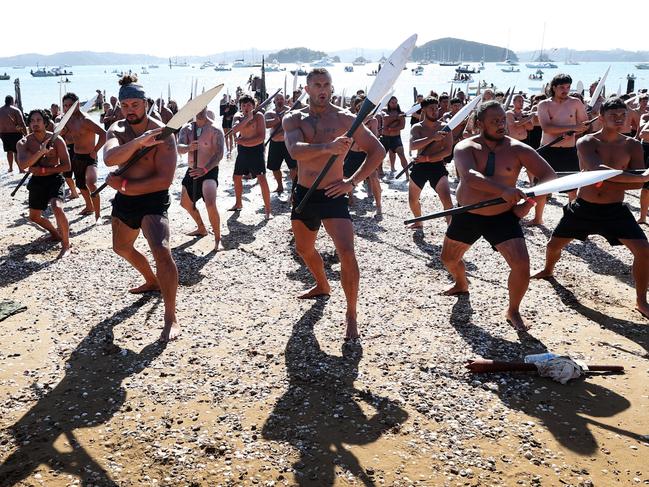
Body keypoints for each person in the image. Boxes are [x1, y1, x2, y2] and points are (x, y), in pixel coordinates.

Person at [284, 68, 385, 340]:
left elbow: (378, 151)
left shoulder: (345, 119)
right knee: (304, 249)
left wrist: (351, 182)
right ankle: (321, 284)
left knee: (347, 252)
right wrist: (329, 147)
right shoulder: (293, 118)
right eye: (317, 84)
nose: (322, 89)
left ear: (331, 87)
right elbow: (295, 151)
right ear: (307, 89)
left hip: (333, 194)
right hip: (304, 193)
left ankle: (351, 315)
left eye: (326, 84)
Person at [441, 101, 555, 332]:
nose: (501, 124)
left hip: (502, 215)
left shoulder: (519, 149)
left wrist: (529, 204)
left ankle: (513, 309)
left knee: (522, 265)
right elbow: (470, 176)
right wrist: (503, 190)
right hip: (467, 213)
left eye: (503, 120)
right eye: (494, 121)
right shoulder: (465, 147)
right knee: (449, 260)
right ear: (479, 123)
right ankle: (462, 283)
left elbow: (549, 176)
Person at [533, 97, 649, 318]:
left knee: (644, 252)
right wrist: (606, 177)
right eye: (613, 115)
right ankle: (548, 270)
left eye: (622, 115)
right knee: (553, 245)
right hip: (584, 207)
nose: (619, 119)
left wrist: (609, 178)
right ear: (601, 118)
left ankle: (641, 300)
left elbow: (638, 182)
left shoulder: (633, 145)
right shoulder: (586, 142)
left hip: (615, 210)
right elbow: (598, 171)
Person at [102, 75, 180, 341]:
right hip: (125, 199)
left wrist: (123, 186)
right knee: (121, 248)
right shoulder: (117, 129)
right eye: (125, 105)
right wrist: (139, 142)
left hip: (152, 198)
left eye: (135, 104)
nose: (130, 110)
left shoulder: (164, 134)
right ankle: (151, 281)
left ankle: (171, 318)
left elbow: (164, 180)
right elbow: (111, 158)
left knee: (161, 251)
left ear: (146, 103)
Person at [532, 74, 589, 225]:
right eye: (562, 87)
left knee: (572, 189)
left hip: (568, 150)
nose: (566, 90)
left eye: (568, 87)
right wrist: (572, 127)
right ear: (553, 87)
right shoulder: (544, 105)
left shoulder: (575, 102)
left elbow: (584, 125)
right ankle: (538, 218)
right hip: (548, 150)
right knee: (542, 187)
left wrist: (577, 130)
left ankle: (573, 219)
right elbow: (547, 127)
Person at [16, 109, 71, 259]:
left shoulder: (57, 140)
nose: (35, 123)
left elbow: (67, 166)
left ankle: (66, 245)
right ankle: (54, 233)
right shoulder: (23, 142)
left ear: (45, 122)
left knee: (57, 207)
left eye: (38, 120)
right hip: (37, 181)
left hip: (54, 178)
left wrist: (46, 169)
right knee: (34, 217)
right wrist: (40, 153)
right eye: (32, 121)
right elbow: (23, 165)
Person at [177, 107, 225, 249]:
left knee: (210, 203)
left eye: (202, 106)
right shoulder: (187, 128)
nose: (199, 110)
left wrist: (204, 170)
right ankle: (201, 228)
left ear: (205, 107)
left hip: (208, 171)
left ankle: (218, 238)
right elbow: (179, 148)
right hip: (192, 170)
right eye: (196, 106)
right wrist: (188, 147)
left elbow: (219, 154)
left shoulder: (215, 129)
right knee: (185, 203)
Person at [407, 96, 454, 227]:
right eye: (431, 109)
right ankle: (418, 221)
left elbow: (448, 151)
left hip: (437, 166)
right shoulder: (417, 128)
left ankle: (451, 228)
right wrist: (432, 137)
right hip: (419, 167)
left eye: (436, 108)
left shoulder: (445, 128)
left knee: (447, 201)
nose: (435, 111)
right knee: (413, 200)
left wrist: (427, 158)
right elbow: (412, 145)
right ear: (423, 111)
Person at [61, 92, 107, 220]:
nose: (67, 108)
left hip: (90, 157)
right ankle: (89, 207)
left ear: (77, 104)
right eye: (65, 105)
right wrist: (63, 133)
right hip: (76, 156)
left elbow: (104, 134)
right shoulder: (67, 120)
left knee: (91, 184)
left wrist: (96, 150)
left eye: (71, 105)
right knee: (81, 185)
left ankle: (98, 214)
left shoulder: (86, 120)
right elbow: (65, 138)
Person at [229, 94, 272, 218]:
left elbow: (261, 138)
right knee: (236, 177)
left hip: (256, 151)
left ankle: (268, 210)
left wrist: (243, 141)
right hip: (242, 152)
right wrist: (247, 119)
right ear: (240, 107)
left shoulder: (259, 116)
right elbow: (235, 130)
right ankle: (238, 203)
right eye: (243, 105)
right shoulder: (238, 116)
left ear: (254, 106)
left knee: (261, 179)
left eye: (249, 105)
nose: (246, 107)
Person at [344, 96, 382, 213]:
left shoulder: (374, 120)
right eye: (360, 107)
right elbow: (348, 134)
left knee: (374, 177)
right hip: (353, 152)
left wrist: (366, 123)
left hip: (365, 153)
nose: (362, 110)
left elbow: (374, 137)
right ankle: (351, 198)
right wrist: (363, 122)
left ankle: (379, 205)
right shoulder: (353, 119)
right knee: (345, 177)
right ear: (357, 108)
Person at [265, 92, 297, 194]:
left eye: (281, 99)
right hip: (275, 143)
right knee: (275, 168)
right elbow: (266, 124)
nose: (279, 101)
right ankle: (280, 186)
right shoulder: (270, 113)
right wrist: (278, 119)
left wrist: (283, 126)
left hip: (288, 143)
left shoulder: (291, 111)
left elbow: (294, 126)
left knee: (293, 167)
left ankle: (294, 187)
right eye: (277, 99)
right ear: (274, 101)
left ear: (285, 100)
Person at [380, 96, 408, 177]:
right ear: (388, 103)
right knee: (380, 155)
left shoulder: (401, 112)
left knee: (402, 155)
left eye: (396, 102)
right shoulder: (384, 110)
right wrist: (396, 117)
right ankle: (380, 171)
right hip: (385, 137)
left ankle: (407, 175)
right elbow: (385, 117)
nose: (394, 104)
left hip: (396, 138)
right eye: (392, 102)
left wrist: (392, 128)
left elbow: (402, 126)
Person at [0, 95, 27, 172]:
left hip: (3, 134)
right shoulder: (15, 110)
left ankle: (11, 167)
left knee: (9, 151)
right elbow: (22, 123)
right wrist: (26, 134)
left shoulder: (0, 110)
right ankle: (21, 169)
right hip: (15, 133)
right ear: (12, 101)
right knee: (17, 151)